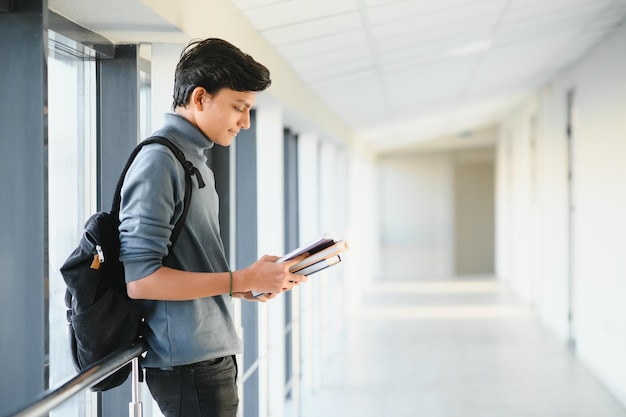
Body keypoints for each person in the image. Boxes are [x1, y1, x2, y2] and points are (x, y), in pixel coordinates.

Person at [118, 38, 307, 417]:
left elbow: (188, 265)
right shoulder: (160, 162)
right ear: (200, 98)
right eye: (239, 108)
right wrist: (237, 280)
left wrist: (249, 283)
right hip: (188, 364)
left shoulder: (194, 160)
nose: (246, 122)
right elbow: (141, 279)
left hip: (208, 356)